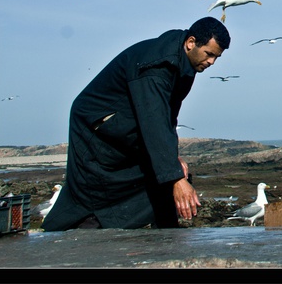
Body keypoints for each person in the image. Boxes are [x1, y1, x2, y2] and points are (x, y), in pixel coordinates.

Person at [42, 17, 231, 231]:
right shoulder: (157, 67)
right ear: (191, 42)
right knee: (98, 192)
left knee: (171, 175)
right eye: (209, 54)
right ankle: (83, 235)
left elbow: (168, 117)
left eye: (217, 57)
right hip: (98, 131)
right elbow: (153, 119)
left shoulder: (185, 65)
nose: (212, 62)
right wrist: (176, 179)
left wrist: (172, 159)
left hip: (128, 129)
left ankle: (168, 236)